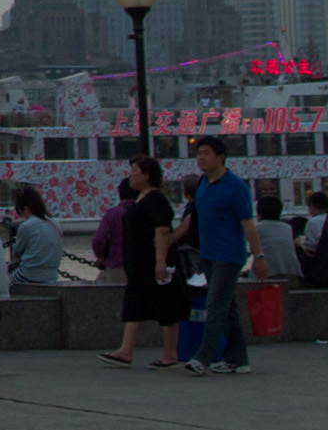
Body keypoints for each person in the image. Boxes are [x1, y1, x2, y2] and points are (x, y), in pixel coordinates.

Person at [182, 134, 265, 376]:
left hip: (228, 256)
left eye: (206, 153)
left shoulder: (235, 186)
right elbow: (194, 220)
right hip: (207, 254)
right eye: (198, 154)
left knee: (215, 304)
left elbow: (247, 223)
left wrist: (258, 256)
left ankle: (203, 357)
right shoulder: (202, 184)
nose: (201, 158)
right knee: (227, 307)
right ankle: (238, 359)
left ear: (221, 157)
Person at [101, 156, 186, 368]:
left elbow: (161, 230)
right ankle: (126, 351)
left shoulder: (155, 199)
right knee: (133, 306)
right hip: (138, 266)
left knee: (164, 305)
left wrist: (161, 262)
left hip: (152, 263)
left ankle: (170, 354)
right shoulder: (141, 199)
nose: (131, 175)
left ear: (147, 175)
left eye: (135, 170)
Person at [8, 186, 63, 288]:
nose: (23, 217)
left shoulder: (26, 226)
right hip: (52, 276)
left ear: (26, 209)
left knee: (3, 285)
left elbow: (17, 252)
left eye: (21, 213)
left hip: (29, 274)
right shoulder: (56, 223)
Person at [90, 177, 134, 283]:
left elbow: (98, 240)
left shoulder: (113, 213)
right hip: (142, 268)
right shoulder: (145, 211)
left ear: (119, 192)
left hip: (117, 266)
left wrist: (101, 257)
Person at [251, 195, 305, 281]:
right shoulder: (288, 228)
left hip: (268, 273)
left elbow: (253, 251)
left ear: (259, 213)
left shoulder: (258, 228)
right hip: (293, 272)